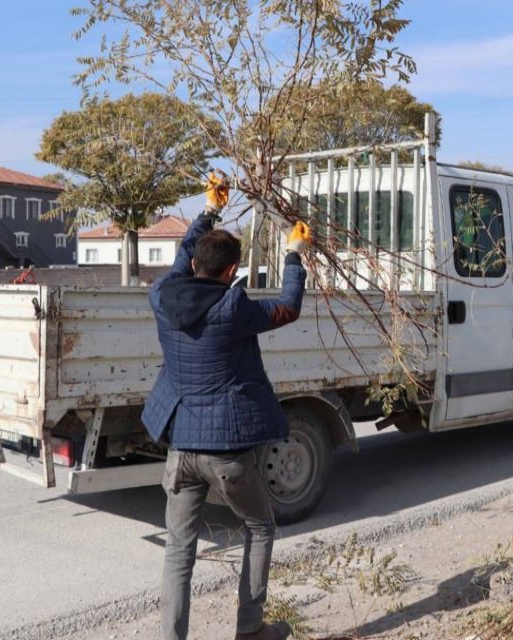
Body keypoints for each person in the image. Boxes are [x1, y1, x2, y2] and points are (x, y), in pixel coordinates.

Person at [142, 174, 311, 640]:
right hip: (225, 454)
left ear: (197, 263)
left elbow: (182, 260)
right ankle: (250, 631)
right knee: (260, 527)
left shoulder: (162, 296)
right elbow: (288, 308)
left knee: (179, 550)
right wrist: (294, 254)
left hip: (180, 447)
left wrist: (207, 212)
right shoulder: (233, 309)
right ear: (231, 272)